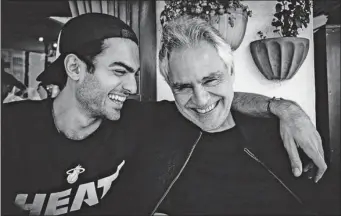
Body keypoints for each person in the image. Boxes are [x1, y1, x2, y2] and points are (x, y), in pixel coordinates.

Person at [1, 13, 326, 215]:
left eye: (134, 74)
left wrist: (283, 107)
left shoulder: (137, 118)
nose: (130, 87)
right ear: (74, 67)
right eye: (118, 71)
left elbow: (207, 101)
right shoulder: (10, 130)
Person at [105, 16, 331, 215]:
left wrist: (284, 108)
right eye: (183, 87)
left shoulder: (279, 134)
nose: (201, 99)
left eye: (211, 80)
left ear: (231, 72)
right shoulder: (151, 123)